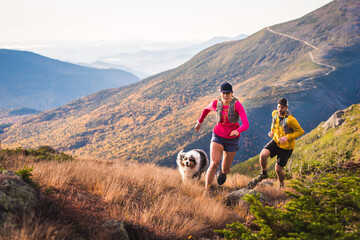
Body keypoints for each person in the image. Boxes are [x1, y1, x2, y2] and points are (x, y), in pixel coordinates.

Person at [194, 82, 249, 193]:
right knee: (214, 163)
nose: (225, 96)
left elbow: (246, 124)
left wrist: (237, 131)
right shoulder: (216, 103)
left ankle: (223, 173)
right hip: (218, 136)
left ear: (232, 93)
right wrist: (199, 122)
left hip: (232, 139)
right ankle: (207, 190)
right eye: (223, 93)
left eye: (228, 93)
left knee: (225, 169)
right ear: (220, 93)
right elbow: (205, 110)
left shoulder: (237, 105)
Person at [250, 97, 304, 189]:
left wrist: (287, 137)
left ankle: (281, 185)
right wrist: (272, 131)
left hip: (286, 147)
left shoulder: (290, 120)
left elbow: (301, 131)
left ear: (286, 108)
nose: (280, 109)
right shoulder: (274, 113)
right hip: (276, 141)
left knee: (278, 169)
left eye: (282, 107)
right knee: (263, 155)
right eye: (279, 107)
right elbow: (274, 123)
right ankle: (264, 173)